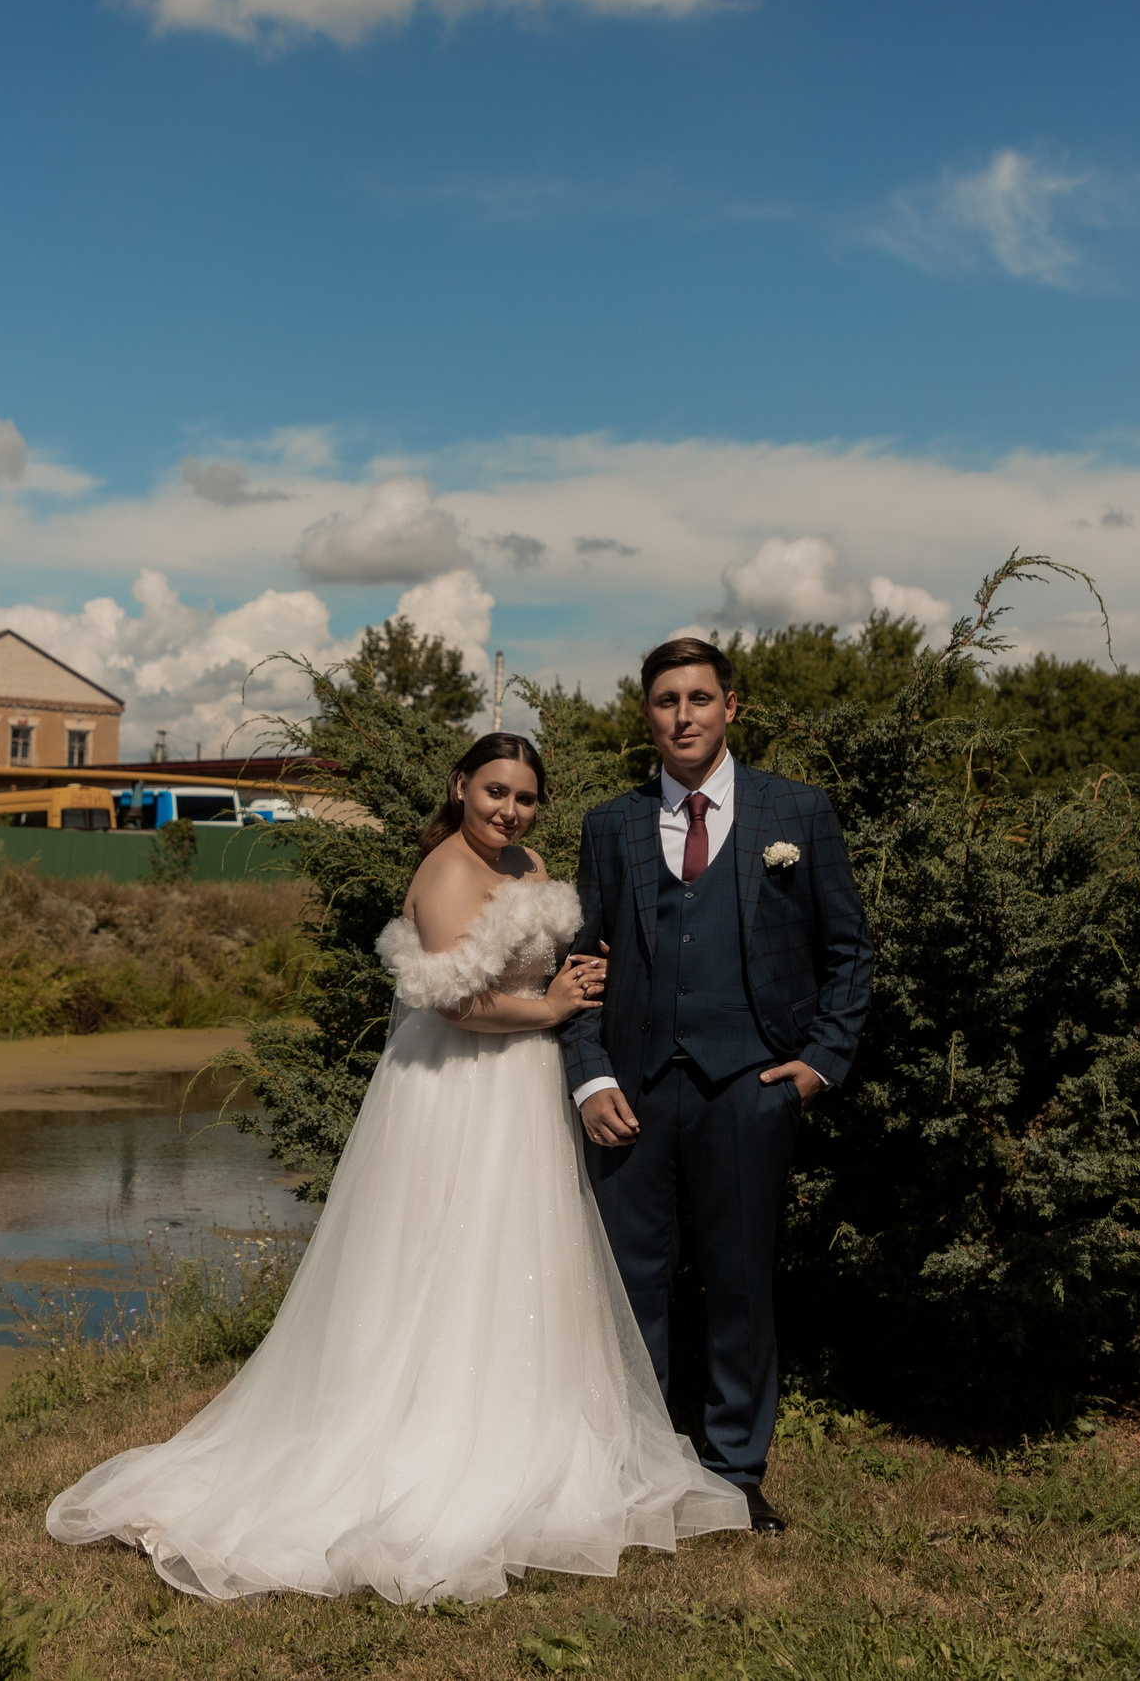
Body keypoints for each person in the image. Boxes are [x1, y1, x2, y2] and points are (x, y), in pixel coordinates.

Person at [47, 732, 752, 1603]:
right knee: (447, 1254)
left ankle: (530, 1428)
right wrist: (554, 1004)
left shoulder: (526, 858)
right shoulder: (445, 874)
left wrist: (571, 984)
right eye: (495, 790)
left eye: (525, 796)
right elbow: (456, 1001)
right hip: (460, 1089)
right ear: (460, 786)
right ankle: (425, 1441)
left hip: (520, 1088)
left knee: (516, 1254)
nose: (509, 810)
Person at [564, 637, 876, 1532]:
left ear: (731, 706)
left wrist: (817, 1064)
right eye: (666, 700)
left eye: (700, 697)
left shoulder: (798, 810)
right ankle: (638, 1471)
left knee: (740, 1285)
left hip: (751, 1083)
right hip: (636, 1086)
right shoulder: (609, 825)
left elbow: (849, 950)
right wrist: (589, 1078)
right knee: (633, 1287)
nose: (684, 714)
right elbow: (581, 963)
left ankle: (736, 1471)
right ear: (647, 715)